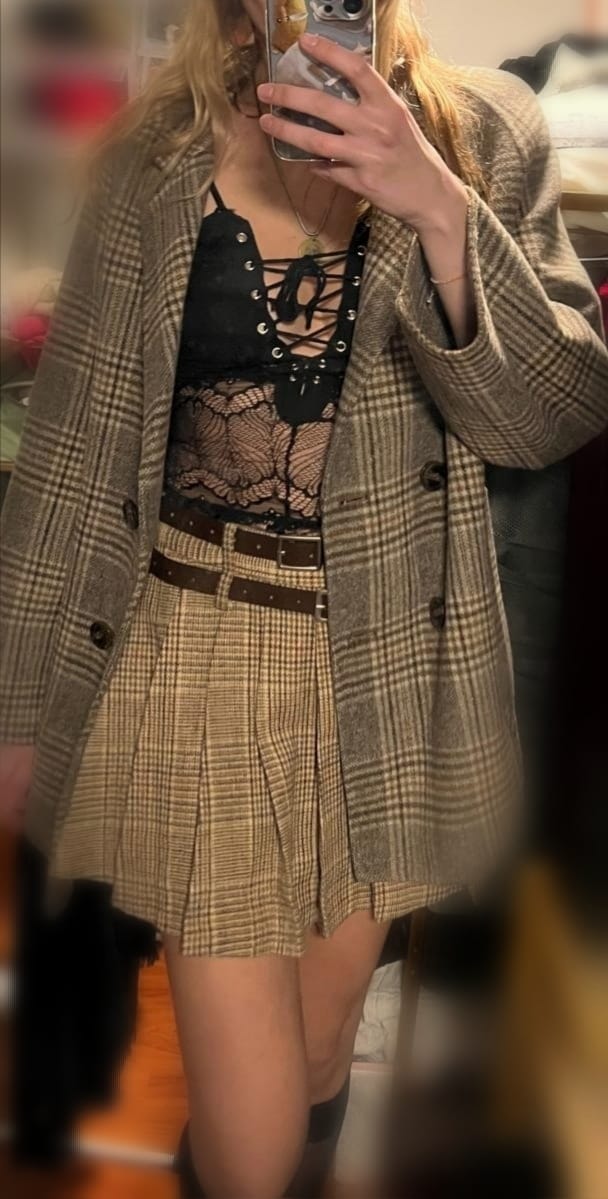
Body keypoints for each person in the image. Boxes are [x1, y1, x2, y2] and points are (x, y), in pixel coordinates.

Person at [1, 2, 607, 1197]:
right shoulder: (155, 155)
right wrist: (16, 705)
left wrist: (435, 205)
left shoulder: (485, 133)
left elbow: (546, 416)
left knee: (324, 1040)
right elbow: (70, 447)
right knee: (254, 1102)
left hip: (387, 661)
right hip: (192, 643)